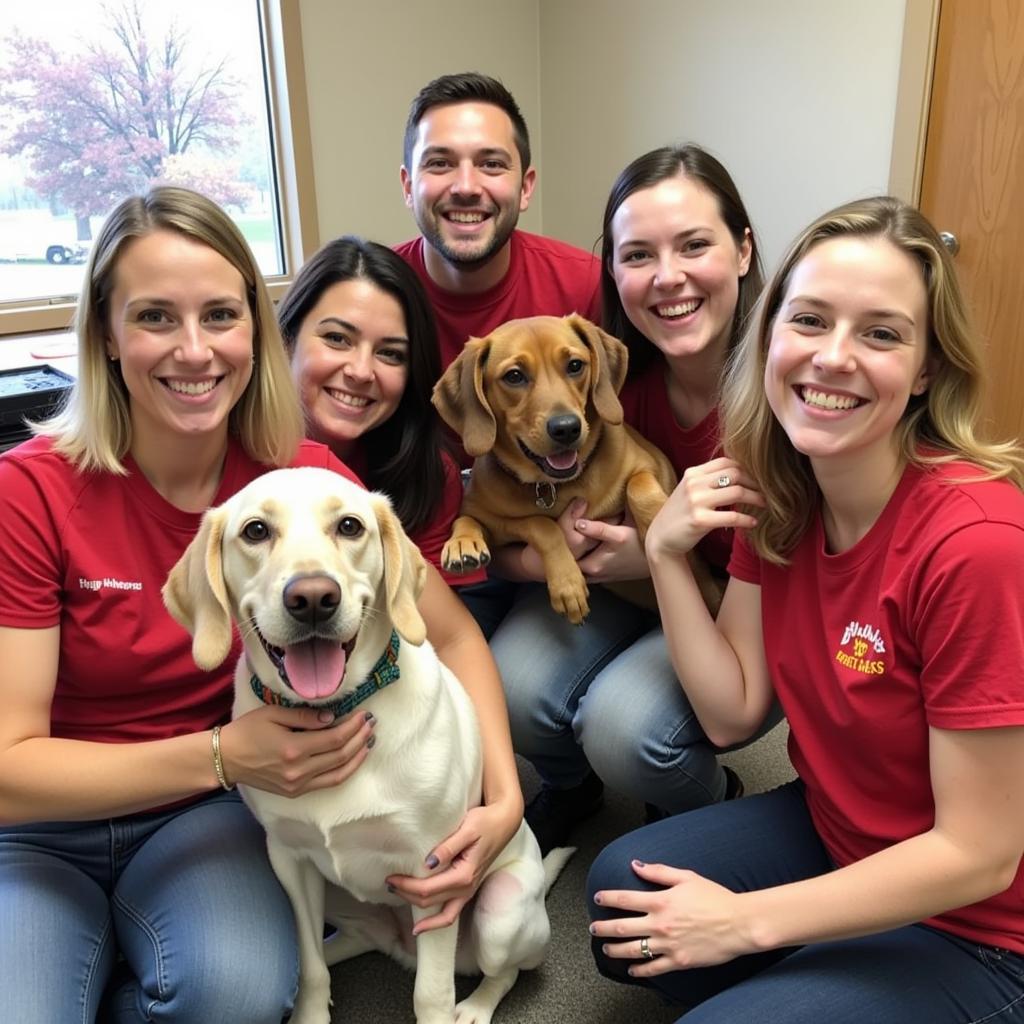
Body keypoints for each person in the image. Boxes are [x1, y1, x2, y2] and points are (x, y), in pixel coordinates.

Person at [0, 188, 522, 1023]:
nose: (196, 350)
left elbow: (452, 637)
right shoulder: (27, 493)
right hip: (43, 827)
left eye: (220, 315)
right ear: (105, 331)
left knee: (239, 996)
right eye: (156, 318)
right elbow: (6, 769)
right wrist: (222, 755)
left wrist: (505, 801)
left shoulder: (305, 480)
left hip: (203, 820)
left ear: (254, 329)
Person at [587, 195, 1024, 1023]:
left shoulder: (978, 542)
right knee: (621, 898)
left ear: (929, 367)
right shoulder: (779, 492)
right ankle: (824, 965)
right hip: (838, 832)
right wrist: (667, 554)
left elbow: (979, 856)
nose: (833, 358)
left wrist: (747, 922)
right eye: (811, 320)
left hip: (983, 929)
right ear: (770, 336)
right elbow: (730, 716)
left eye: (882, 334)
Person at [488, 145, 765, 853]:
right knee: (511, 680)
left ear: (742, 249)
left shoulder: (779, 396)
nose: (667, 277)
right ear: (611, 270)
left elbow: (741, 610)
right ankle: (572, 786)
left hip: (746, 617)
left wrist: (651, 557)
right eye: (637, 254)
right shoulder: (608, 376)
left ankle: (705, 805)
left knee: (625, 728)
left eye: (694, 245)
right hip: (635, 586)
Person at [278, 235, 484, 589]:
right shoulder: (226, 454)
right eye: (337, 338)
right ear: (287, 338)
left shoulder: (427, 474)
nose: (360, 371)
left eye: (390, 354)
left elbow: (442, 632)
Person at [397, 71, 602, 373]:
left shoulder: (587, 287)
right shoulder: (376, 293)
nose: (465, 187)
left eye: (491, 164)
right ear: (408, 187)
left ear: (525, 188)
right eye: (440, 163)